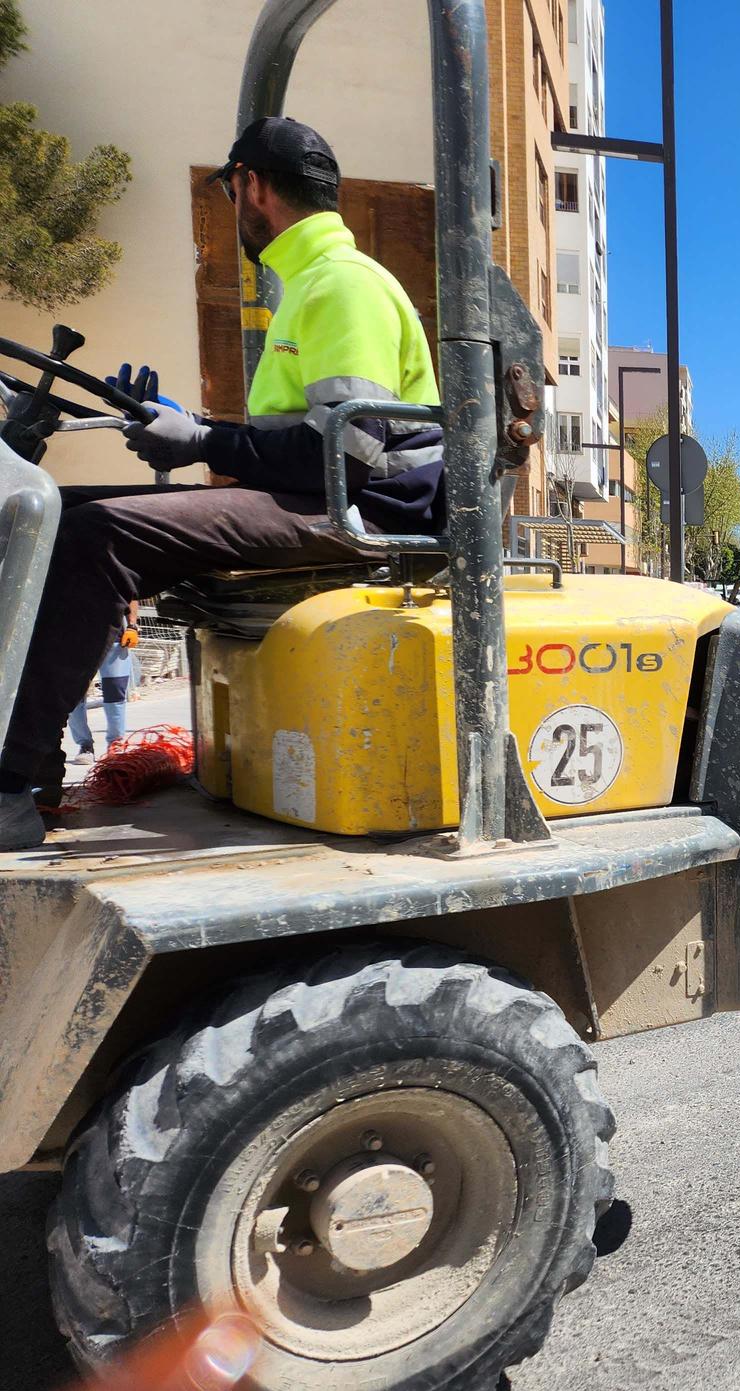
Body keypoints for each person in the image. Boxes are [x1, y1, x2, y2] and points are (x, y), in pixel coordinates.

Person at [0, 118, 443, 850]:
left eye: (232, 194)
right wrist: (186, 424)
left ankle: (8, 782)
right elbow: (301, 436)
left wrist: (204, 440)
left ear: (250, 185)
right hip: (330, 497)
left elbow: (348, 454)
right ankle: (36, 759)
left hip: (362, 513)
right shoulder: (313, 283)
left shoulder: (340, 286)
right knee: (47, 516)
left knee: (96, 537)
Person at [65, 603, 141, 766]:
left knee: (116, 695)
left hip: (115, 638)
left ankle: (116, 744)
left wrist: (132, 625)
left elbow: (132, 595)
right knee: (73, 696)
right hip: (75, 640)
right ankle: (85, 745)